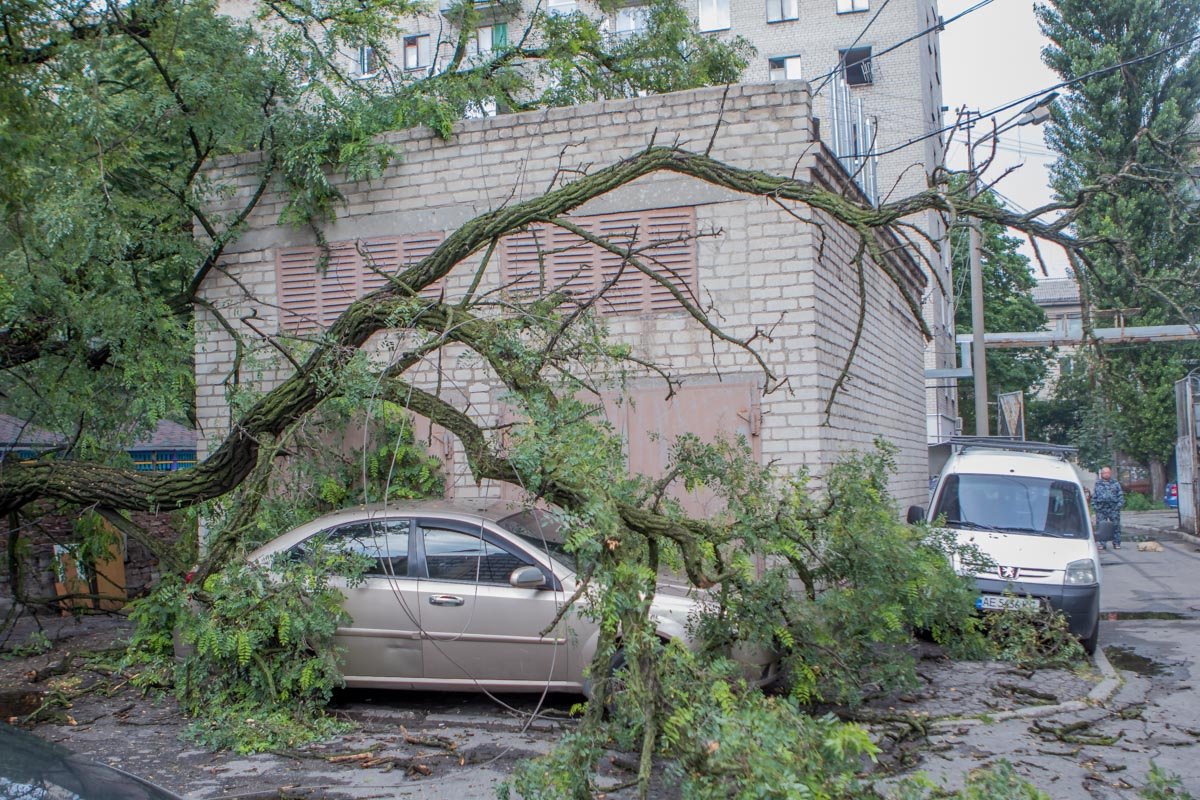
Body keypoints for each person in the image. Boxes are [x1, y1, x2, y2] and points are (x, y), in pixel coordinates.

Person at [1092, 466, 1125, 550]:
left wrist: (1119, 505)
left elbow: (1120, 495)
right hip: (1101, 508)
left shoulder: (1115, 483)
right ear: (1102, 474)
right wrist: (1095, 506)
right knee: (1101, 526)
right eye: (1105, 473)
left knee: (1116, 526)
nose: (1106, 474)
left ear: (1110, 473)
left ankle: (1116, 543)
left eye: (1108, 473)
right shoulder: (1098, 483)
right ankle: (1102, 544)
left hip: (1113, 508)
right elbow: (1094, 495)